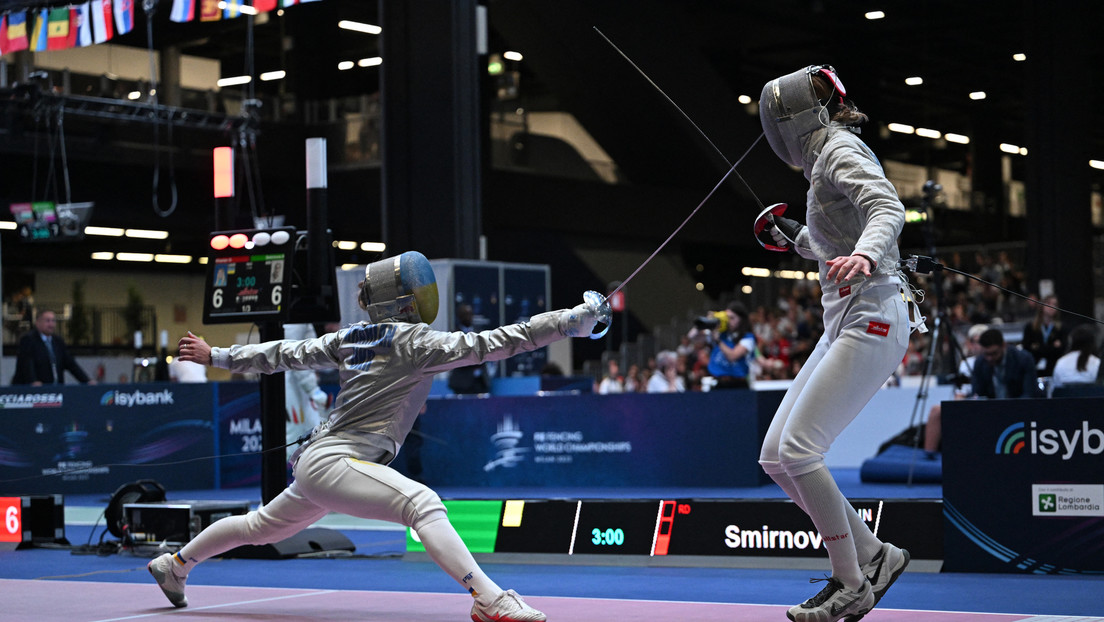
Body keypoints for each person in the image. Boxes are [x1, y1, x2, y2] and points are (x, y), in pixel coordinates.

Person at [147, 251, 601, 622]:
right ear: (406, 301)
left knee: (259, 527)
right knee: (422, 504)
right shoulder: (418, 343)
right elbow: (499, 341)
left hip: (325, 462)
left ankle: (176, 564)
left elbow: (284, 353)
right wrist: (568, 322)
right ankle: (488, 599)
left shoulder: (351, 338)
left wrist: (218, 354)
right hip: (334, 462)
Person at [756, 65, 918, 621]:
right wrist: (795, 239)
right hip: (845, 318)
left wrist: (869, 254)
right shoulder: (824, 157)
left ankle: (850, 583)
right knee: (777, 455)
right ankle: (877, 555)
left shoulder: (839, 151)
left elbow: (886, 207)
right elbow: (832, 242)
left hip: (873, 315)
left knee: (802, 451)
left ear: (795, 119)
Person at [923, 323, 988, 453]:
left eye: (981, 342)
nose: (977, 346)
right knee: (936, 411)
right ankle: (928, 456)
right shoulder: (966, 364)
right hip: (971, 403)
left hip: (991, 402)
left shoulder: (996, 360)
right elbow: (959, 395)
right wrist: (955, 409)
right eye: (974, 342)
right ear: (970, 344)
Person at [11, 309, 94, 385]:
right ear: (38, 323)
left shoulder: (58, 341)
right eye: (47, 321)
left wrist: (86, 381)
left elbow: (71, 364)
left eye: (53, 321)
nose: (51, 324)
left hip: (55, 388)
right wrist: (33, 381)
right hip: (33, 390)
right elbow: (27, 363)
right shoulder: (28, 339)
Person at [699, 302, 757, 389]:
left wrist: (718, 341)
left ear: (741, 319)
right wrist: (707, 322)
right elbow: (692, 337)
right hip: (719, 383)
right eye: (727, 318)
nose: (729, 321)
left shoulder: (748, 337)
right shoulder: (722, 334)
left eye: (732, 318)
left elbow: (733, 356)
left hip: (738, 384)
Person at [970, 328, 1041, 399]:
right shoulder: (980, 362)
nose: (990, 358)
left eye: (994, 353)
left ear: (1003, 345)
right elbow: (978, 394)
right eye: (986, 354)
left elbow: (1029, 394)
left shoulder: (1023, 359)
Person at [447, 303, 491, 395]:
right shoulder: (453, 335)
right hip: (461, 383)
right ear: (459, 316)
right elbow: (456, 357)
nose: (468, 317)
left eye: (470, 314)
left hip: (480, 383)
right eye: (465, 314)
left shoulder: (479, 333)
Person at [1020, 295, 1067, 378]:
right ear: (1041, 305)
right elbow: (1027, 349)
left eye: (1055, 304)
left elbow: (1062, 350)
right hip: (1034, 369)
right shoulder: (1031, 327)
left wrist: (1038, 347)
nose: (1051, 307)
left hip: (1054, 369)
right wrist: (1052, 347)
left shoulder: (1060, 328)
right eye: (1048, 303)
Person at [1050, 324, 1100, 389]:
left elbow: (1055, 387)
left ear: (1072, 342)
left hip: (1066, 398)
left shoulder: (1061, 362)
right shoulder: (1097, 362)